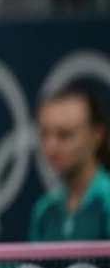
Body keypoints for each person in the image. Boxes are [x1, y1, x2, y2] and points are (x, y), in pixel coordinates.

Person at [30, 84, 110, 241]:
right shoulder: (43, 210)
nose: (51, 147)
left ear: (97, 135)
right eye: (44, 134)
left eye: (65, 134)